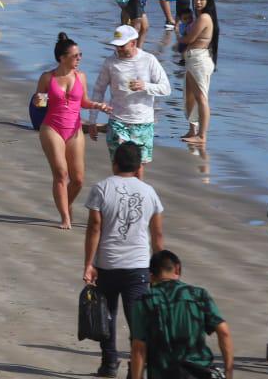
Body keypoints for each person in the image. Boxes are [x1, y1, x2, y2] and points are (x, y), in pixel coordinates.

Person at [83, 141, 165, 378]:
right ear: (139, 167)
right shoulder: (149, 191)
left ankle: (109, 364)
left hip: (107, 265)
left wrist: (89, 263)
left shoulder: (101, 188)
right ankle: (135, 368)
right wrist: (159, 270)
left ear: (114, 163)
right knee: (137, 322)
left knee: (106, 316)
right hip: (138, 267)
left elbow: (94, 228)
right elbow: (157, 234)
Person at [34, 34, 110, 228]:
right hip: (52, 128)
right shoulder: (47, 77)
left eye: (80, 55)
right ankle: (65, 218)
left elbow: (82, 101)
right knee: (61, 173)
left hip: (74, 130)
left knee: (78, 180)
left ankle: (65, 205)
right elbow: (40, 103)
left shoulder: (81, 76)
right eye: (75, 56)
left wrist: (97, 106)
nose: (79, 59)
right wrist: (38, 100)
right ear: (62, 58)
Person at [129, 250, 234, 379]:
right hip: (198, 372)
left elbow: (138, 348)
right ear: (177, 269)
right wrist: (229, 372)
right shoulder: (199, 295)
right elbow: (224, 332)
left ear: (151, 276)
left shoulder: (143, 302)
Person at [92, 24, 172, 164]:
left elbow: (166, 88)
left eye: (122, 45)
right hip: (117, 121)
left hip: (143, 122)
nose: (118, 49)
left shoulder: (149, 60)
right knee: (119, 165)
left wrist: (145, 86)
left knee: (138, 167)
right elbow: (99, 90)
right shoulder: (110, 62)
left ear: (133, 43)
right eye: (116, 46)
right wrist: (93, 120)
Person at [179, 0, 219, 144]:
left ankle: (202, 135)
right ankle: (192, 129)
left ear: (207, 1)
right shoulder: (199, 18)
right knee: (189, 97)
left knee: (201, 98)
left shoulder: (204, 18)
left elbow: (189, 38)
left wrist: (180, 38)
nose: (198, 2)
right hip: (192, 60)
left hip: (199, 60)